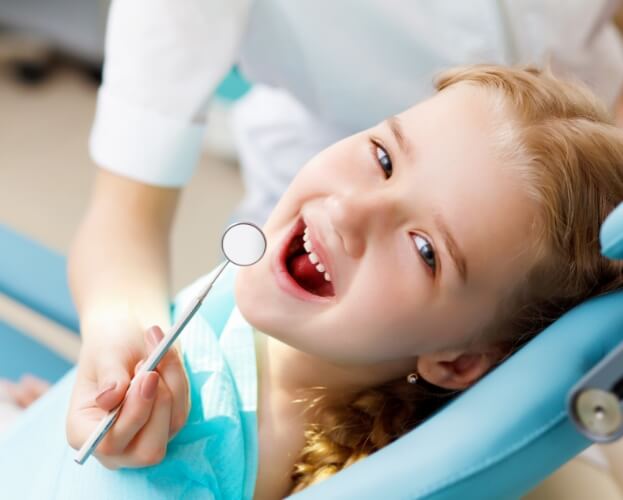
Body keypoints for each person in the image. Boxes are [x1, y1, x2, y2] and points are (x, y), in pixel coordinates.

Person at [0, 65, 622, 498]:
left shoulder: (184, 464)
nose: (351, 211)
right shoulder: (281, 316)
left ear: (458, 363)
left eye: (425, 249)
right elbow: (119, 232)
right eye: (383, 158)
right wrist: (79, 389)